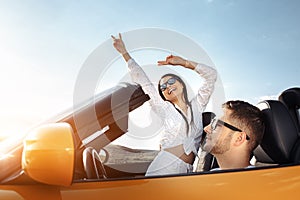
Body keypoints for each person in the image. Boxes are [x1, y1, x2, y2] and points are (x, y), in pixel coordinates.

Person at [111, 33, 217, 176]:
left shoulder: (197, 106)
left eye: (171, 82)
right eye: (163, 87)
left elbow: (211, 76)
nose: (167, 87)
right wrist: (125, 53)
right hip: (164, 167)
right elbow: (144, 81)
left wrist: (183, 63)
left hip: (187, 171)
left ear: (181, 84)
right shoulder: (164, 108)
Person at [202, 100, 265, 170]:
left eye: (216, 125)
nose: (206, 128)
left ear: (239, 138)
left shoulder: (255, 180)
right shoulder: (211, 174)